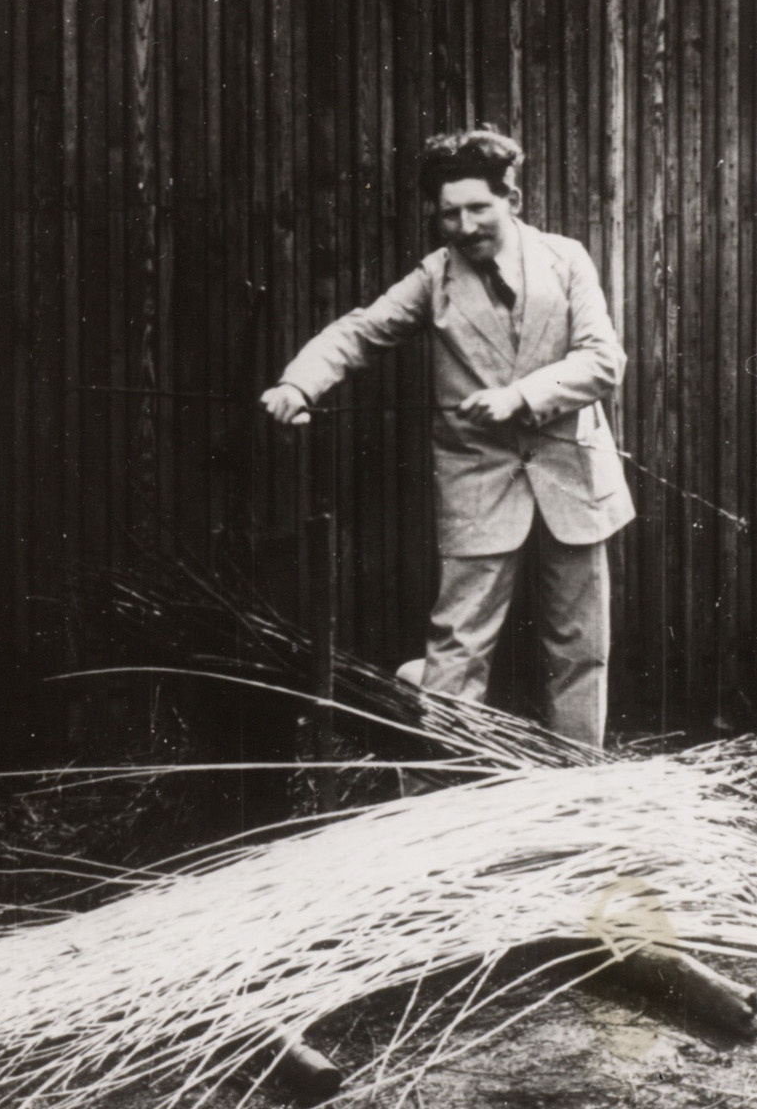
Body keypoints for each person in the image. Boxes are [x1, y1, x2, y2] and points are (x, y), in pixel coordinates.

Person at [261, 128, 634, 746]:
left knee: (581, 649)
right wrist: (298, 384)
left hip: (575, 480)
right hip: (479, 483)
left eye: (478, 207)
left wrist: (519, 397)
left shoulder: (566, 260)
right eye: (449, 214)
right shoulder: (434, 278)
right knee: (458, 647)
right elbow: (360, 331)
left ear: (512, 199)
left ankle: (577, 778)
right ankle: (442, 778)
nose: (464, 226)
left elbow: (602, 361)